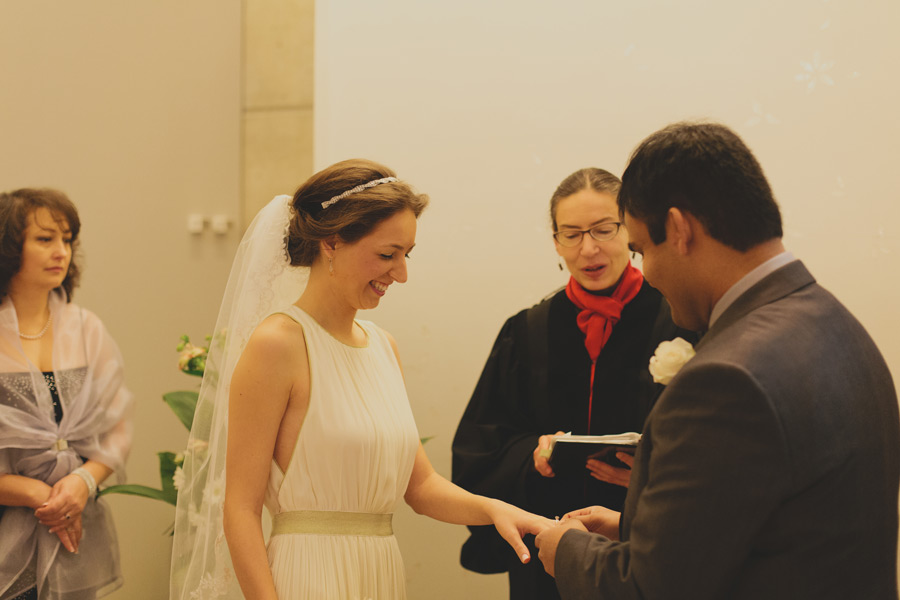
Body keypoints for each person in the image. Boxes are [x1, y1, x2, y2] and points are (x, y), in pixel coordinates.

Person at [535, 122, 900, 599]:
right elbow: (779, 529)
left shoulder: (726, 379)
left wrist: (566, 550)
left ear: (681, 230)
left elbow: (651, 590)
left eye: (643, 249)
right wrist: (632, 530)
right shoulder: (833, 320)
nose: (649, 273)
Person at [170, 159, 551, 600]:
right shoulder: (278, 344)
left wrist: (498, 510)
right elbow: (239, 508)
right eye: (387, 254)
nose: (401, 273)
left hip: (380, 572)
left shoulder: (383, 346)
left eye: (407, 255)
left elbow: (422, 487)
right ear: (331, 243)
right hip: (307, 576)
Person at [451, 168, 694, 600]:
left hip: (649, 550)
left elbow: (717, 441)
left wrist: (653, 470)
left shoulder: (679, 319)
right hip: (549, 553)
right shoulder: (526, 331)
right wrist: (533, 455)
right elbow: (478, 449)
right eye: (572, 234)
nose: (589, 248)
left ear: (631, 230)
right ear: (556, 241)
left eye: (604, 229)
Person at [0, 189, 134, 600]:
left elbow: (118, 429)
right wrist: (37, 494)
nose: (62, 251)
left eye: (68, 239)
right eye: (45, 239)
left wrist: (80, 483)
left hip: (77, 524)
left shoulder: (86, 328)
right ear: (8, 246)